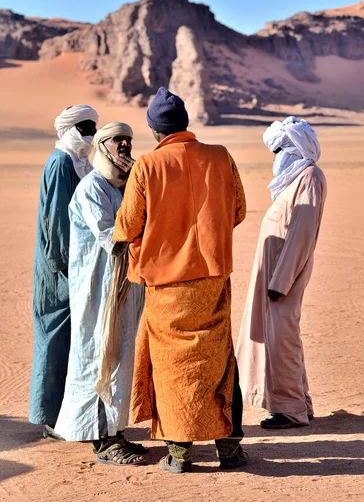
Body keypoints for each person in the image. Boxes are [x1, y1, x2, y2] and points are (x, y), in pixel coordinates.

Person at [113, 87, 248, 474]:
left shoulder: (147, 166)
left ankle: (179, 453)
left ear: (156, 131)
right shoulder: (220, 156)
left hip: (165, 286)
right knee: (219, 361)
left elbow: (127, 225)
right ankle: (229, 449)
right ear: (186, 124)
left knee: (173, 366)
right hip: (211, 278)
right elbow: (237, 210)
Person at [54, 122, 146, 465]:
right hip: (97, 288)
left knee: (121, 356)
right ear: (103, 146)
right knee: (97, 355)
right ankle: (101, 440)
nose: (123, 145)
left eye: (128, 139)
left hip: (124, 285)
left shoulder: (126, 185)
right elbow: (113, 236)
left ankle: (115, 431)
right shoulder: (93, 187)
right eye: (116, 140)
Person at [236, 116, 327, 429]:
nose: (274, 158)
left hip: (284, 276)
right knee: (280, 338)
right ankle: (299, 404)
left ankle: (290, 411)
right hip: (275, 274)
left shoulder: (310, 176)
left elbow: (302, 233)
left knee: (282, 340)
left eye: (277, 151)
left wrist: (281, 281)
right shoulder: (297, 177)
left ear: (292, 148)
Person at [29, 104, 99, 436]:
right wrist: (67, 267)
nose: (91, 133)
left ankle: (66, 412)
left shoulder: (79, 163)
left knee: (72, 339)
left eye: (93, 126)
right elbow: (56, 221)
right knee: (56, 337)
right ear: (69, 129)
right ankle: (48, 415)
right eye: (85, 126)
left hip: (76, 263)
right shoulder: (60, 163)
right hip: (60, 268)